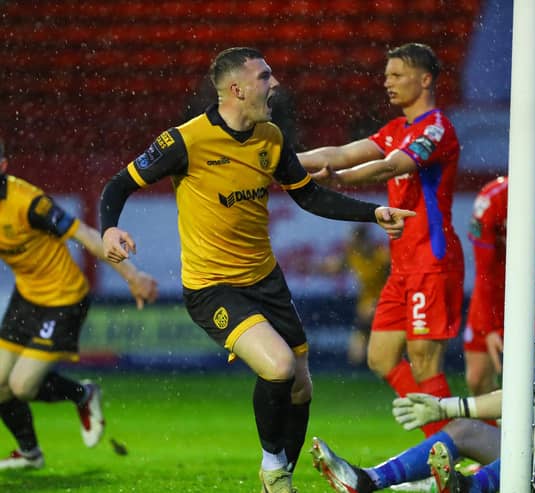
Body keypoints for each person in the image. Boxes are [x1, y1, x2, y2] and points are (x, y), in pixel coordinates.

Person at [98, 47, 414, 493]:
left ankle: (278, 478)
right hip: (212, 288)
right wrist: (110, 229)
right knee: (280, 367)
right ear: (236, 89)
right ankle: (273, 470)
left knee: (301, 388)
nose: (275, 83)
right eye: (265, 76)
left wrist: (373, 213)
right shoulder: (185, 141)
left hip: (266, 280)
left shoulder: (271, 136)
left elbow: (308, 196)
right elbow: (119, 183)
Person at [309, 261, 535, 493]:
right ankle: (367, 479)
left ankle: (469, 487)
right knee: (464, 430)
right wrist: (445, 408)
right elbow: (515, 399)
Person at [299, 42, 464, 437]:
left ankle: (451, 451)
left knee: (425, 364)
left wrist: (338, 180)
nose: (386, 82)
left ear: (424, 79)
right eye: (386, 75)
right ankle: (453, 439)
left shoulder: (436, 127)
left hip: (431, 260)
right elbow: (340, 152)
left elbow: (391, 167)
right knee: (381, 357)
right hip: (403, 265)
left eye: (396, 75)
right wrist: (278, 157)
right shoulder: (395, 130)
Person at [0, 137, 158, 470]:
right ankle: (30, 454)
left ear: (2, 167)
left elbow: (85, 235)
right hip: (26, 295)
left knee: (22, 386)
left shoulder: (28, 202)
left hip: (63, 298)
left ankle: (83, 395)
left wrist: (132, 276)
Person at [464, 146, 535, 430]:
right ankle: (492, 452)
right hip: (492, 295)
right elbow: (485, 271)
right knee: (478, 379)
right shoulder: (490, 202)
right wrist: (491, 326)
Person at [318, 224, 390, 365]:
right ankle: (364, 366)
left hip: (387, 300)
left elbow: (398, 277)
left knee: (370, 322)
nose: (353, 244)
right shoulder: (353, 255)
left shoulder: (382, 255)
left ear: (365, 240)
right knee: (356, 354)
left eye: (356, 241)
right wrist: (316, 267)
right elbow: (334, 267)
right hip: (367, 303)